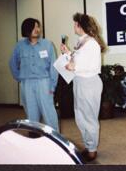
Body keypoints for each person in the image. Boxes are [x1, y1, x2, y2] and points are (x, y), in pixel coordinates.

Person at [60, 12, 106, 162]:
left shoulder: (91, 43)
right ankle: (88, 145)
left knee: (89, 118)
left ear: (80, 26)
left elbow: (89, 66)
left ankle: (92, 150)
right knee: (80, 117)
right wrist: (68, 53)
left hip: (89, 83)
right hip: (80, 82)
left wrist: (72, 66)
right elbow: (79, 59)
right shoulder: (82, 41)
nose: (73, 26)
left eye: (75, 23)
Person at [9, 18, 59, 132]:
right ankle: (34, 137)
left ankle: (56, 141)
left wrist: (52, 86)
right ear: (27, 30)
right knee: (31, 115)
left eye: (38, 26)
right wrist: (20, 78)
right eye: (34, 27)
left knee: (49, 114)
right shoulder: (20, 46)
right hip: (27, 84)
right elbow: (12, 63)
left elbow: (53, 66)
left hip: (44, 82)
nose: (37, 29)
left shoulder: (47, 44)